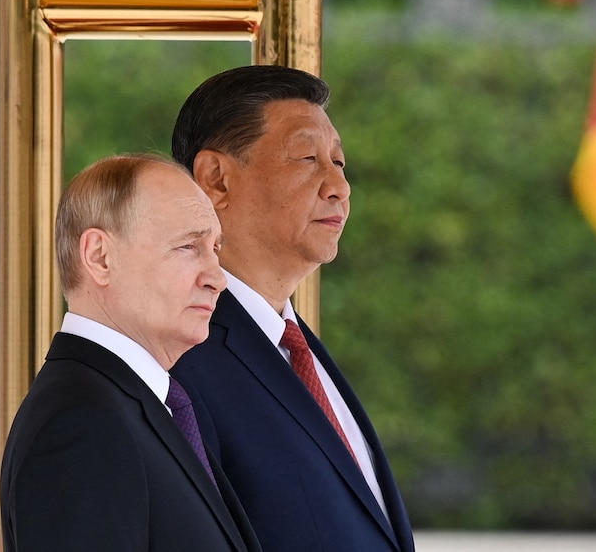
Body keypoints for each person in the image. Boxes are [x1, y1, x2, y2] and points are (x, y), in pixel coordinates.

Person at [169, 65, 416, 552]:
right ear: (216, 180)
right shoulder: (176, 359)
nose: (339, 187)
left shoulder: (296, 344)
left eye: (339, 163)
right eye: (307, 157)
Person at [0, 153, 261, 552]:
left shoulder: (137, 406)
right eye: (189, 246)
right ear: (100, 257)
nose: (218, 278)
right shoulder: (82, 422)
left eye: (215, 248)